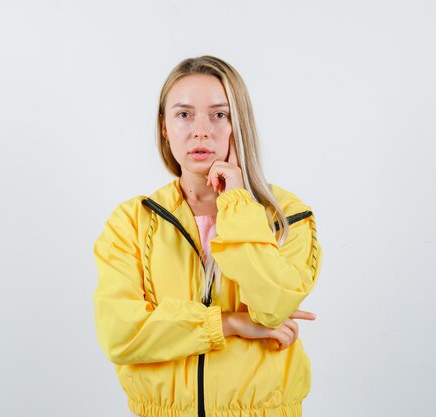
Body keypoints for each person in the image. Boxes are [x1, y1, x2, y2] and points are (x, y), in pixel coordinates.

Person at [93, 55, 323, 417]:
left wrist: (236, 202)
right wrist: (229, 323)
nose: (201, 130)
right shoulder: (132, 222)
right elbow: (121, 334)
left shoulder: (286, 216)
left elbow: (273, 304)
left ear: (238, 124)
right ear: (165, 127)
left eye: (219, 114)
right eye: (184, 114)